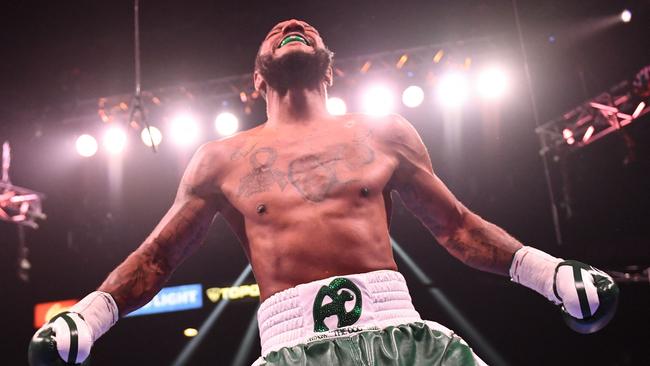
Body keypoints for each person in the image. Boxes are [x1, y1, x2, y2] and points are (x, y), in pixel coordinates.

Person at [29, 19, 618, 366]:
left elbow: (458, 228)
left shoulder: (384, 133)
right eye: (279, 30)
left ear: (330, 71)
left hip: (403, 340)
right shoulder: (220, 159)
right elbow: (157, 257)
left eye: (306, 28)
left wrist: (552, 275)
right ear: (257, 77)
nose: (292, 25)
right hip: (291, 346)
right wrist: (91, 316)